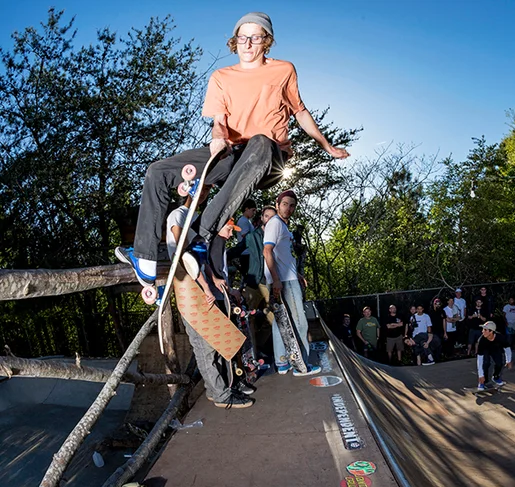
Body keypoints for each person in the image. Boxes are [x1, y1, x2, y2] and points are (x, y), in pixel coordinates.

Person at [115, 12, 349, 293]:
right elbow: (219, 122)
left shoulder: (283, 70)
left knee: (260, 140)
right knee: (158, 171)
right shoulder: (221, 77)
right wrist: (217, 139)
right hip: (234, 152)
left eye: (256, 37)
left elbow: (300, 111)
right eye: (242, 38)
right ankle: (146, 259)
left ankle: (200, 236)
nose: (248, 44)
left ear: (266, 42)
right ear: (234, 41)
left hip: (269, 157)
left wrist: (326, 145)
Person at [263, 190, 321, 376]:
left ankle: (282, 363)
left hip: (287, 277)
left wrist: (297, 274)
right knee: (299, 322)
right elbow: (267, 251)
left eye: (292, 205)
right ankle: (301, 365)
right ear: (278, 204)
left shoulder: (282, 226)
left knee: (280, 322)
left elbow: (283, 257)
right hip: (284, 282)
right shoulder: (275, 224)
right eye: (285, 204)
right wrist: (278, 280)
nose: (288, 208)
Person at [475, 321, 512, 391]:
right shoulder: (481, 340)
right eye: (483, 329)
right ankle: (482, 382)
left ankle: (496, 377)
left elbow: (507, 348)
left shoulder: (500, 337)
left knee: (499, 363)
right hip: (485, 350)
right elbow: (479, 359)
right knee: (486, 363)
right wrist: (481, 376)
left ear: (491, 331)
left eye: (485, 330)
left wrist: (509, 360)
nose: (482, 331)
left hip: (495, 349)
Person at [235, 199, 257, 288]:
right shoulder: (243, 221)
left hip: (249, 252)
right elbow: (246, 236)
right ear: (246, 209)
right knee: (247, 278)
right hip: (245, 253)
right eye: (253, 210)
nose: (254, 213)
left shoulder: (248, 221)